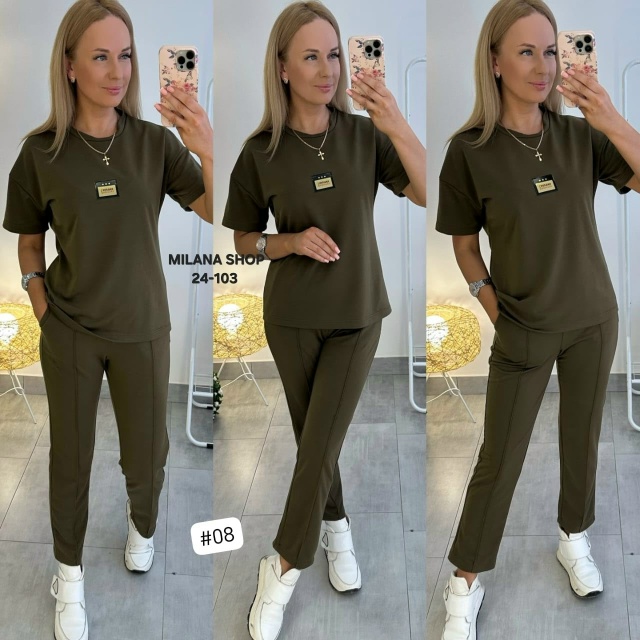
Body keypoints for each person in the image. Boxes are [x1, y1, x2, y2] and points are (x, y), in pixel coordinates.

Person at [1, 1, 213, 639]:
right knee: (70, 459)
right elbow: (29, 241)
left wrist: (203, 143)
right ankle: (68, 573)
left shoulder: (154, 144)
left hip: (143, 327)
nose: (118, 70)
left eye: (125, 55)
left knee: (147, 456)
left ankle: (142, 526)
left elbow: (220, 210)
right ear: (69, 66)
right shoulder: (40, 154)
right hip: (69, 329)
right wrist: (40, 302)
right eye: (100, 56)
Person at [435, 0, 640, 638]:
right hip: (523, 327)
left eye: (550, 51)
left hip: (593, 320)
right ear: (495, 62)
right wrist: (492, 306)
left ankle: (573, 538)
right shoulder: (469, 151)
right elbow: (464, 244)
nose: (543, 65)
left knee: (582, 439)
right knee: (500, 456)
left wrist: (609, 117)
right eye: (525, 51)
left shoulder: (583, 136)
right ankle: (465, 579)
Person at [221, 2, 426, 639]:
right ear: (282, 67)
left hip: (358, 313)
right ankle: (336, 528)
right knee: (318, 442)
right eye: (310, 56)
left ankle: (281, 567)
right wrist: (290, 241)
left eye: (334, 54)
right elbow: (242, 240)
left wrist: (394, 119)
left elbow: (431, 193)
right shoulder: (260, 152)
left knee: (319, 442)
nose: (327, 68)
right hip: (291, 319)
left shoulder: (366, 135)